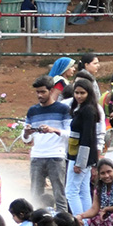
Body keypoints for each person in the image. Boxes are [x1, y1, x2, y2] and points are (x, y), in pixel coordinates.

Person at [23, 76, 70, 213]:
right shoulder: (32, 110)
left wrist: (53, 130)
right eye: (37, 92)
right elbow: (26, 139)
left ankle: (63, 224)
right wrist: (27, 133)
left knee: (59, 194)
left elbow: (70, 133)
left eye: (43, 92)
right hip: (37, 156)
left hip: (56, 155)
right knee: (35, 195)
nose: (39, 95)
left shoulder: (63, 109)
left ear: (51, 91)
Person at [66, 78, 102, 215]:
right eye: (76, 93)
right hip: (81, 155)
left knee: (71, 191)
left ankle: (79, 221)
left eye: (82, 93)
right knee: (83, 189)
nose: (79, 96)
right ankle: (87, 221)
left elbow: (87, 138)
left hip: (81, 156)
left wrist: (80, 162)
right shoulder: (81, 109)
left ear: (89, 94)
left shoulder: (87, 111)